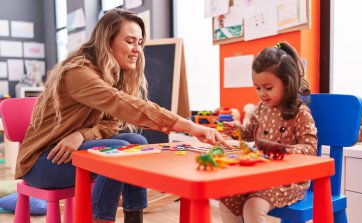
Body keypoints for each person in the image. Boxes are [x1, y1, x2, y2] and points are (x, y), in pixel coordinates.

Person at [16, 9, 230, 223]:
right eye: (130, 41)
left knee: (137, 142)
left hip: (70, 153)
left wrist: (82, 134)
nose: (137, 49)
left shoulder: (112, 73)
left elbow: (111, 125)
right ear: (107, 43)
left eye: (139, 42)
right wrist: (189, 126)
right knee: (119, 151)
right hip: (44, 162)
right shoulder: (78, 73)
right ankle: (100, 219)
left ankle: (134, 218)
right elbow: (123, 104)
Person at [219, 42, 318, 223]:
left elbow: (311, 149)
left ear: (287, 83)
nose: (262, 93)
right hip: (260, 175)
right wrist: (237, 131)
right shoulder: (262, 108)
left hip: (290, 179)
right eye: (257, 88)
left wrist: (283, 150)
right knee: (227, 197)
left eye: (268, 87)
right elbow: (250, 133)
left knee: (252, 206)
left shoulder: (300, 112)